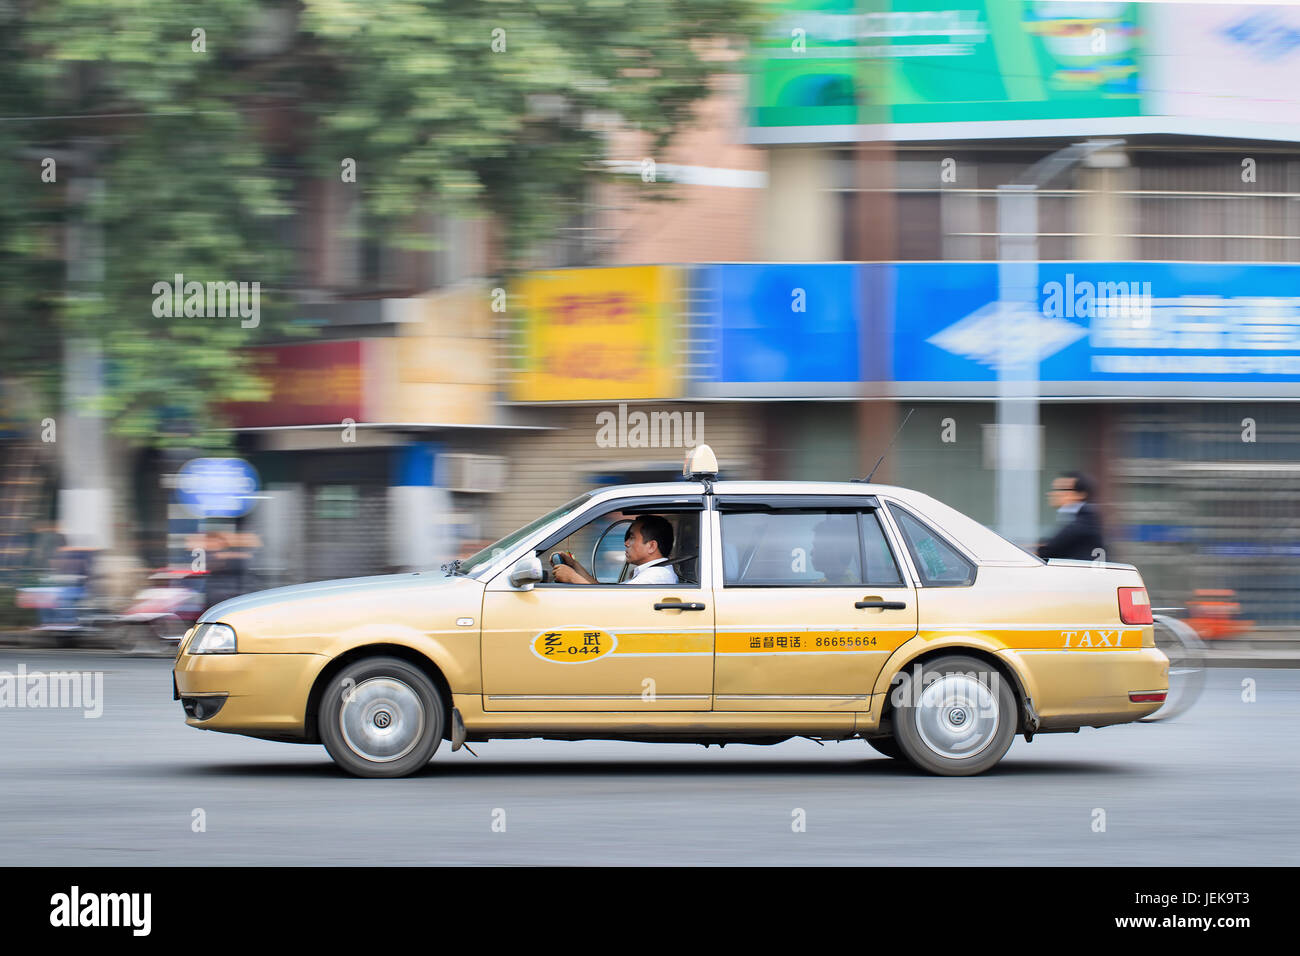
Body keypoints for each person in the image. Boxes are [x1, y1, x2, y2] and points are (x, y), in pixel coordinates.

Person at [553, 514, 678, 585]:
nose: (626, 543)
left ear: (651, 546)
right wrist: (574, 565)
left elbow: (611, 602)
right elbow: (600, 591)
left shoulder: (655, 576)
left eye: (632, 538)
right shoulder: (651, 573)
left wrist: (571, 577)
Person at [1037, 471, 1106, 561]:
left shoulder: (1087, 518)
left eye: (1061, 489)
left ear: (1080, 494)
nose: (1052, 494)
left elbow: (1048, 550)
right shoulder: (1074, 516)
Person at [810, 515, 860, 585]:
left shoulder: (846, 589)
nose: (811, 552)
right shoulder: (831, 582)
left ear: (831, 551)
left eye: (816, 546)